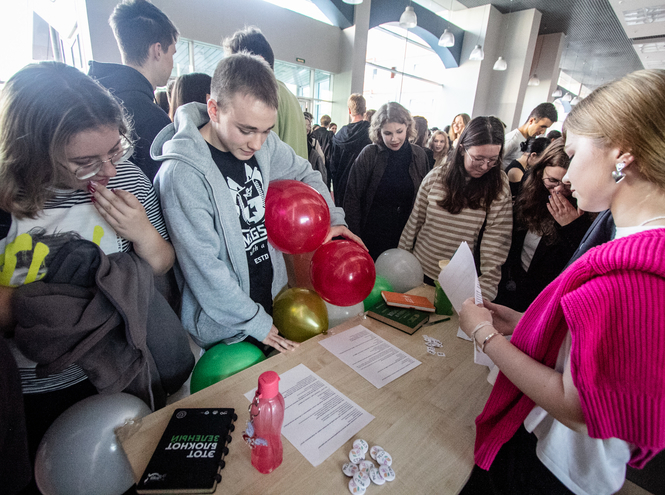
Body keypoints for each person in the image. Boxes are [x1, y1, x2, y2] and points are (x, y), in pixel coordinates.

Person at [458, 69, 665, 495]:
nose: (567, 177)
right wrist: (525, 322)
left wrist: (483, 334)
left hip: (557, 466)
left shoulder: (633, 277)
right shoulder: (634, 244)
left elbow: (577, 405)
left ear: (621, 155)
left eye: (574, 153)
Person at [0, 62, 189, 479]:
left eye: (114, 150)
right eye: (84, 161)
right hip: (32, 389)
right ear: (33, 151)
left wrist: (142, 233)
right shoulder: (9, 200)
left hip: (118, 375)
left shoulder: (129, 180)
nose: (106, 170)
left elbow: (162, 263)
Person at [153, 52, 363, 353]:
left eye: (266, 130)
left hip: (271, 302)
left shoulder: (264, 146)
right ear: (213, 109)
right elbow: (205, 269)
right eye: (246, 130)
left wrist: (334, 217)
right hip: (225, 329)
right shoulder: (181, 175)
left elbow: (306, 173)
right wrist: (256, 323)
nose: (256, 143)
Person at [399, 116, 512, 300]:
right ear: (461, 150)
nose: (485, 166)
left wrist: (484, 294)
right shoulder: (436, 177)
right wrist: (402, 265)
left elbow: (496, 243)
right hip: (421, 271)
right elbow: (414, 224)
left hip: (461, 282)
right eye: (478, 158)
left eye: (493, 160)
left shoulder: (499, 185)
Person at [494, 138, 593, 311]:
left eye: (567, 183)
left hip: (548, 296)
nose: (559, 189)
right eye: (553, 180)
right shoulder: (529, 191)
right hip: (513, 285)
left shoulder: (585, 207)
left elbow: (582, 262)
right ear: (540, 173)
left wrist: (572, 227)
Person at [88, 0, 178, 181]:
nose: (172, 63)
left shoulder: (90, 101)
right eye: (172, 54)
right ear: (158, 50)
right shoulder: (153, 119)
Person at [344, 102, 429, 260]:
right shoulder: (370, 154)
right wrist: (355, 238)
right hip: (372, 233)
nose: (394, 139)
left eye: (399, 131)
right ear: (379, 132)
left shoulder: (419, 155)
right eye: (388, 133)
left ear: (408, 128)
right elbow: (352, 198)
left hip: (405, 236)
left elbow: (423, 200)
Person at [223, 26, 308, 160]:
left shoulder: (262, 96)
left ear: (259, 60)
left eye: (235, 65)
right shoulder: (289, 95)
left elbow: (259, 155)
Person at [329, 93, 371, 207]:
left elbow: (333, 165)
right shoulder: (371, 133)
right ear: (365, 110)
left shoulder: (339, 135)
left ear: (349, 111)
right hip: (364, 187)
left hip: (342, 186)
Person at [502, 102, 558, 169]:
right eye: (542, 126)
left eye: (546, 128)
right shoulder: (512, 140)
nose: (543, 132)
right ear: (531, 121)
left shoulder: (530, 141)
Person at [303, 111, 327, 185]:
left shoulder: (313, 142)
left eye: (309, 125)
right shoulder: (313, 142)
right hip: (310, 174)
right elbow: (322, 158)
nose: (308, 127)